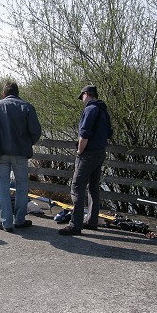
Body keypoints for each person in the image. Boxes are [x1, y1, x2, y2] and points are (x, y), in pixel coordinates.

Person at [0, 82, 42, 232]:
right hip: (20, 153)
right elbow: (36, 132)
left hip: (0, 152)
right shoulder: (27, 107)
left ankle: (6, 223)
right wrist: (26, 143)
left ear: (4, 94)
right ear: (18, 93)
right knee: (22, 185)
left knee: (2, 186)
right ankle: (20, 220)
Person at [58, 85, 113, 235]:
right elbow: (109, 133)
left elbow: (84, 133)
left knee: (77, 188)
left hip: (88, 154)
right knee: (93, 188)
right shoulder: (103, 110)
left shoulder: (90, 109)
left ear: (87, 94)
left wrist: (79, 151)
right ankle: (91, 221)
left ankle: (75, 225)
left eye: (82, 96)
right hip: (100, 152)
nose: (82, 99)